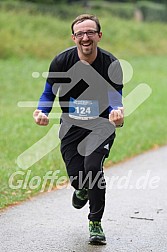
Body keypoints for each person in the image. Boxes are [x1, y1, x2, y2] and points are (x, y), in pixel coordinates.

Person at [33, 14, 124, 245]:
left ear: (99, 36)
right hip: (71, 126)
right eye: (80, 33)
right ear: (73, 38)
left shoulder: (110, 64)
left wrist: (117, 111)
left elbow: (116, 98)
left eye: (90, 32)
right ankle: (80, 188)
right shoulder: (61, 62)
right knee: (78, 178)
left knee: (93, 168)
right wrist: (42, 111)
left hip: (101, 125)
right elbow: (48, 93)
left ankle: (95, 222)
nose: (86, 37)